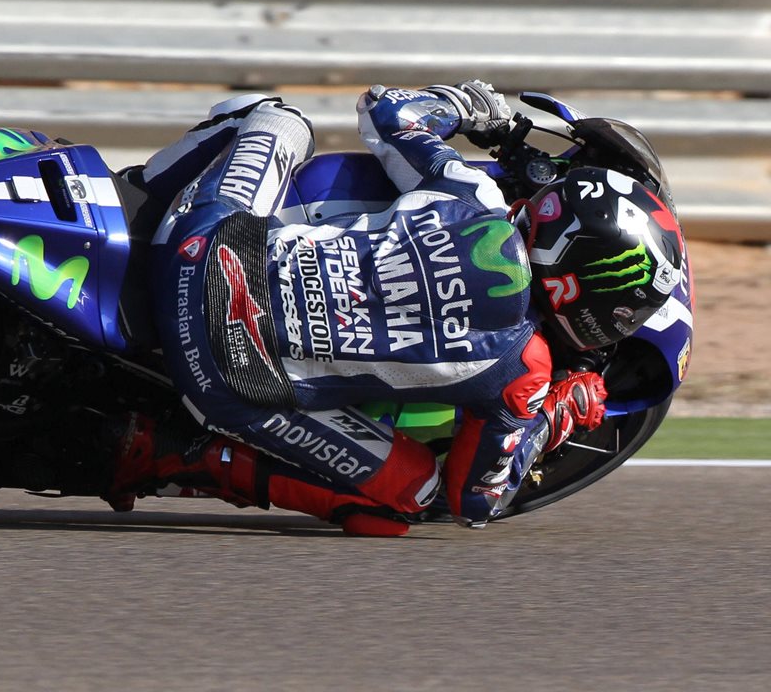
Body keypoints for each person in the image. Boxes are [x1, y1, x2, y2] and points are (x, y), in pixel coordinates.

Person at [107, 81, 686, 535]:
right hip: (224, 377)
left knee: (276, 118)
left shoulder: (473, 194)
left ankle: (123, 197)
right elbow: (476, 501)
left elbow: (386, 111)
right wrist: (559, 412)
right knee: (414, 495)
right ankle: (178, 455)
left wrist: (473, 111)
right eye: (621, 313)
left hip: (199, 251)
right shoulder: (525, 369)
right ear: (579, 291)